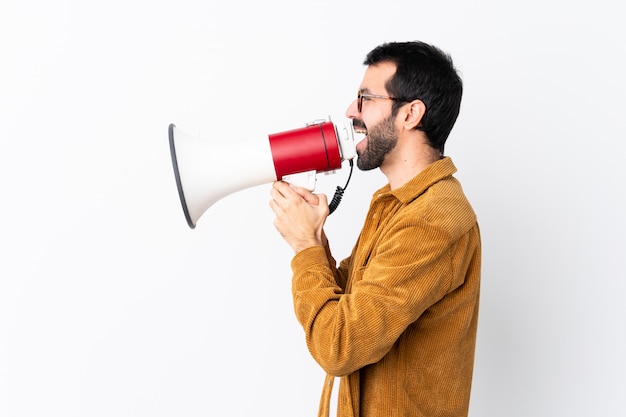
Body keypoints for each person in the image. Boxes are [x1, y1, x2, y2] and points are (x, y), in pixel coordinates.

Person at [269, 41, 481, 417]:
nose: (351, 111)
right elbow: (347, 308)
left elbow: (339, 345)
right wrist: (315, 239)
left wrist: (305, 247)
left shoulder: (433, 218)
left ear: (410, 114)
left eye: (365, 97)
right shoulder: (395, 204)